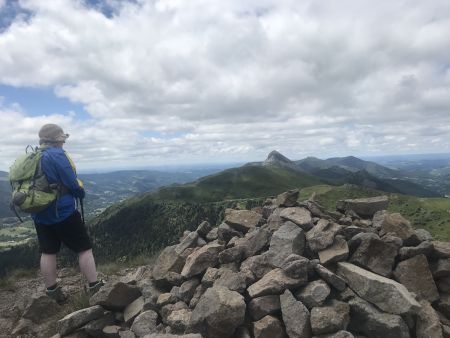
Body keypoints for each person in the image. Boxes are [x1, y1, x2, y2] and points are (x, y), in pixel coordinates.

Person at [32, 123, 103, 303]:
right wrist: (81, 192)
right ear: (58, 139)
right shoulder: (57, 155)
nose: (64, 142)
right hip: (63, 212)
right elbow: (72, 182)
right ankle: (95, 287)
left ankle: (52, 292)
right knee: (84, 249)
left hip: (40, 213)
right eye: (62, 139)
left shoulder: (33, 157)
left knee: (48, 251)